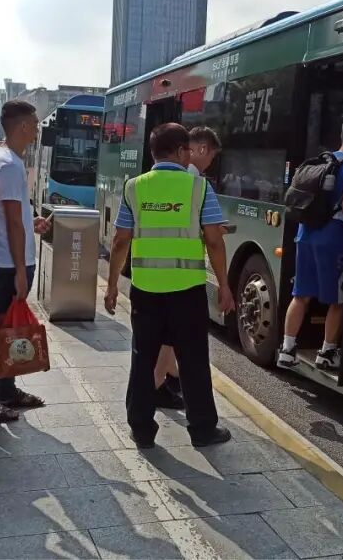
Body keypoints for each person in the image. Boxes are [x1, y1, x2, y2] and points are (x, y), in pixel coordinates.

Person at [104, 123, 235, 449]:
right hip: (187, 291)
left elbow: (120, 240)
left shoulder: (134, 187)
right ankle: (202, 430)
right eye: (187, 149)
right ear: (179, 151)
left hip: (145, 290)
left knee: (143, 357)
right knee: (193, 361)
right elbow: (214, 241)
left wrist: (111, 285)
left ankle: (141, 428)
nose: (189, 155)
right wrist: (224, 284)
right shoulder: (199, 188)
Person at [0, 100, 51, 422]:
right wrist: (19, 270)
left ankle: (6, 390)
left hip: (8, 259)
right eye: (35, 124)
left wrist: (32, 224)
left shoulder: (6, 160)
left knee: (7, 327)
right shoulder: (10, 165)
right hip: (8, 264)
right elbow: (13, 223)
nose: (37, 130)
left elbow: (15, 218)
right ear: (23, 126)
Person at [278, 116, 343, 371]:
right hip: (333, 237)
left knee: (301, 295)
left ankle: (287, 349)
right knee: (338, 299)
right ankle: (326, 353)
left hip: (305, 233)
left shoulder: (323, 160)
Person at [152, 125, 226, 410]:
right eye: (212, 156)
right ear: (200, 149)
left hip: (153, 273)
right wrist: (224, 285)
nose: (211, 163)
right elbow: (212, 240)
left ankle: (168, 378)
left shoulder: (152, 180)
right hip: (182, 276)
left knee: (165, 336)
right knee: (179, 339)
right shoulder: (195, 182)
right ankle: (158, 386)